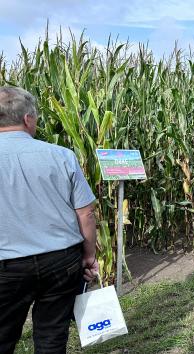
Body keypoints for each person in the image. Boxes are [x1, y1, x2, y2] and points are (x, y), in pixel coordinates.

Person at [0, 86, 99, 353]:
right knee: (51, 338)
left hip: (6, 267)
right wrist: (89, 255)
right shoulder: (61, 155)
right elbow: (86, 212)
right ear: (27, 119)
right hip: (61, 261)